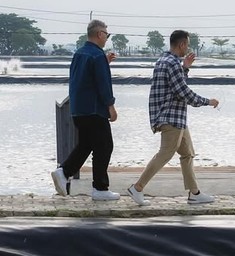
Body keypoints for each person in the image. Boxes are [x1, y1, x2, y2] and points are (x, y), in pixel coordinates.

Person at [127, 30, 220, 206]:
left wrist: (185, 67)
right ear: (182, 44)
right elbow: (183, 93)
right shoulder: (172, 63)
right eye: (188, 44)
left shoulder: (164, 61)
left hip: (175, 118)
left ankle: (195, 193)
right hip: (172, 117)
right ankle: (137, 188)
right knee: (165, 154)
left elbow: (175, 85)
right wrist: (208, 101)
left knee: (187, 154)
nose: (188, 47)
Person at [51, 20, 120, 201]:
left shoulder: (80, 54)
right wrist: (111, 106)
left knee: (87, 145)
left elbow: (84, 78)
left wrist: (105, 63)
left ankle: (64, 172)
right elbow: (103, 85)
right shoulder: (97, 56)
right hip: (94, 109)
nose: (107, 37)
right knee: (105, 146)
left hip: (78, 109)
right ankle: (100, 188)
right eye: (106, 34)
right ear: (99, 34)